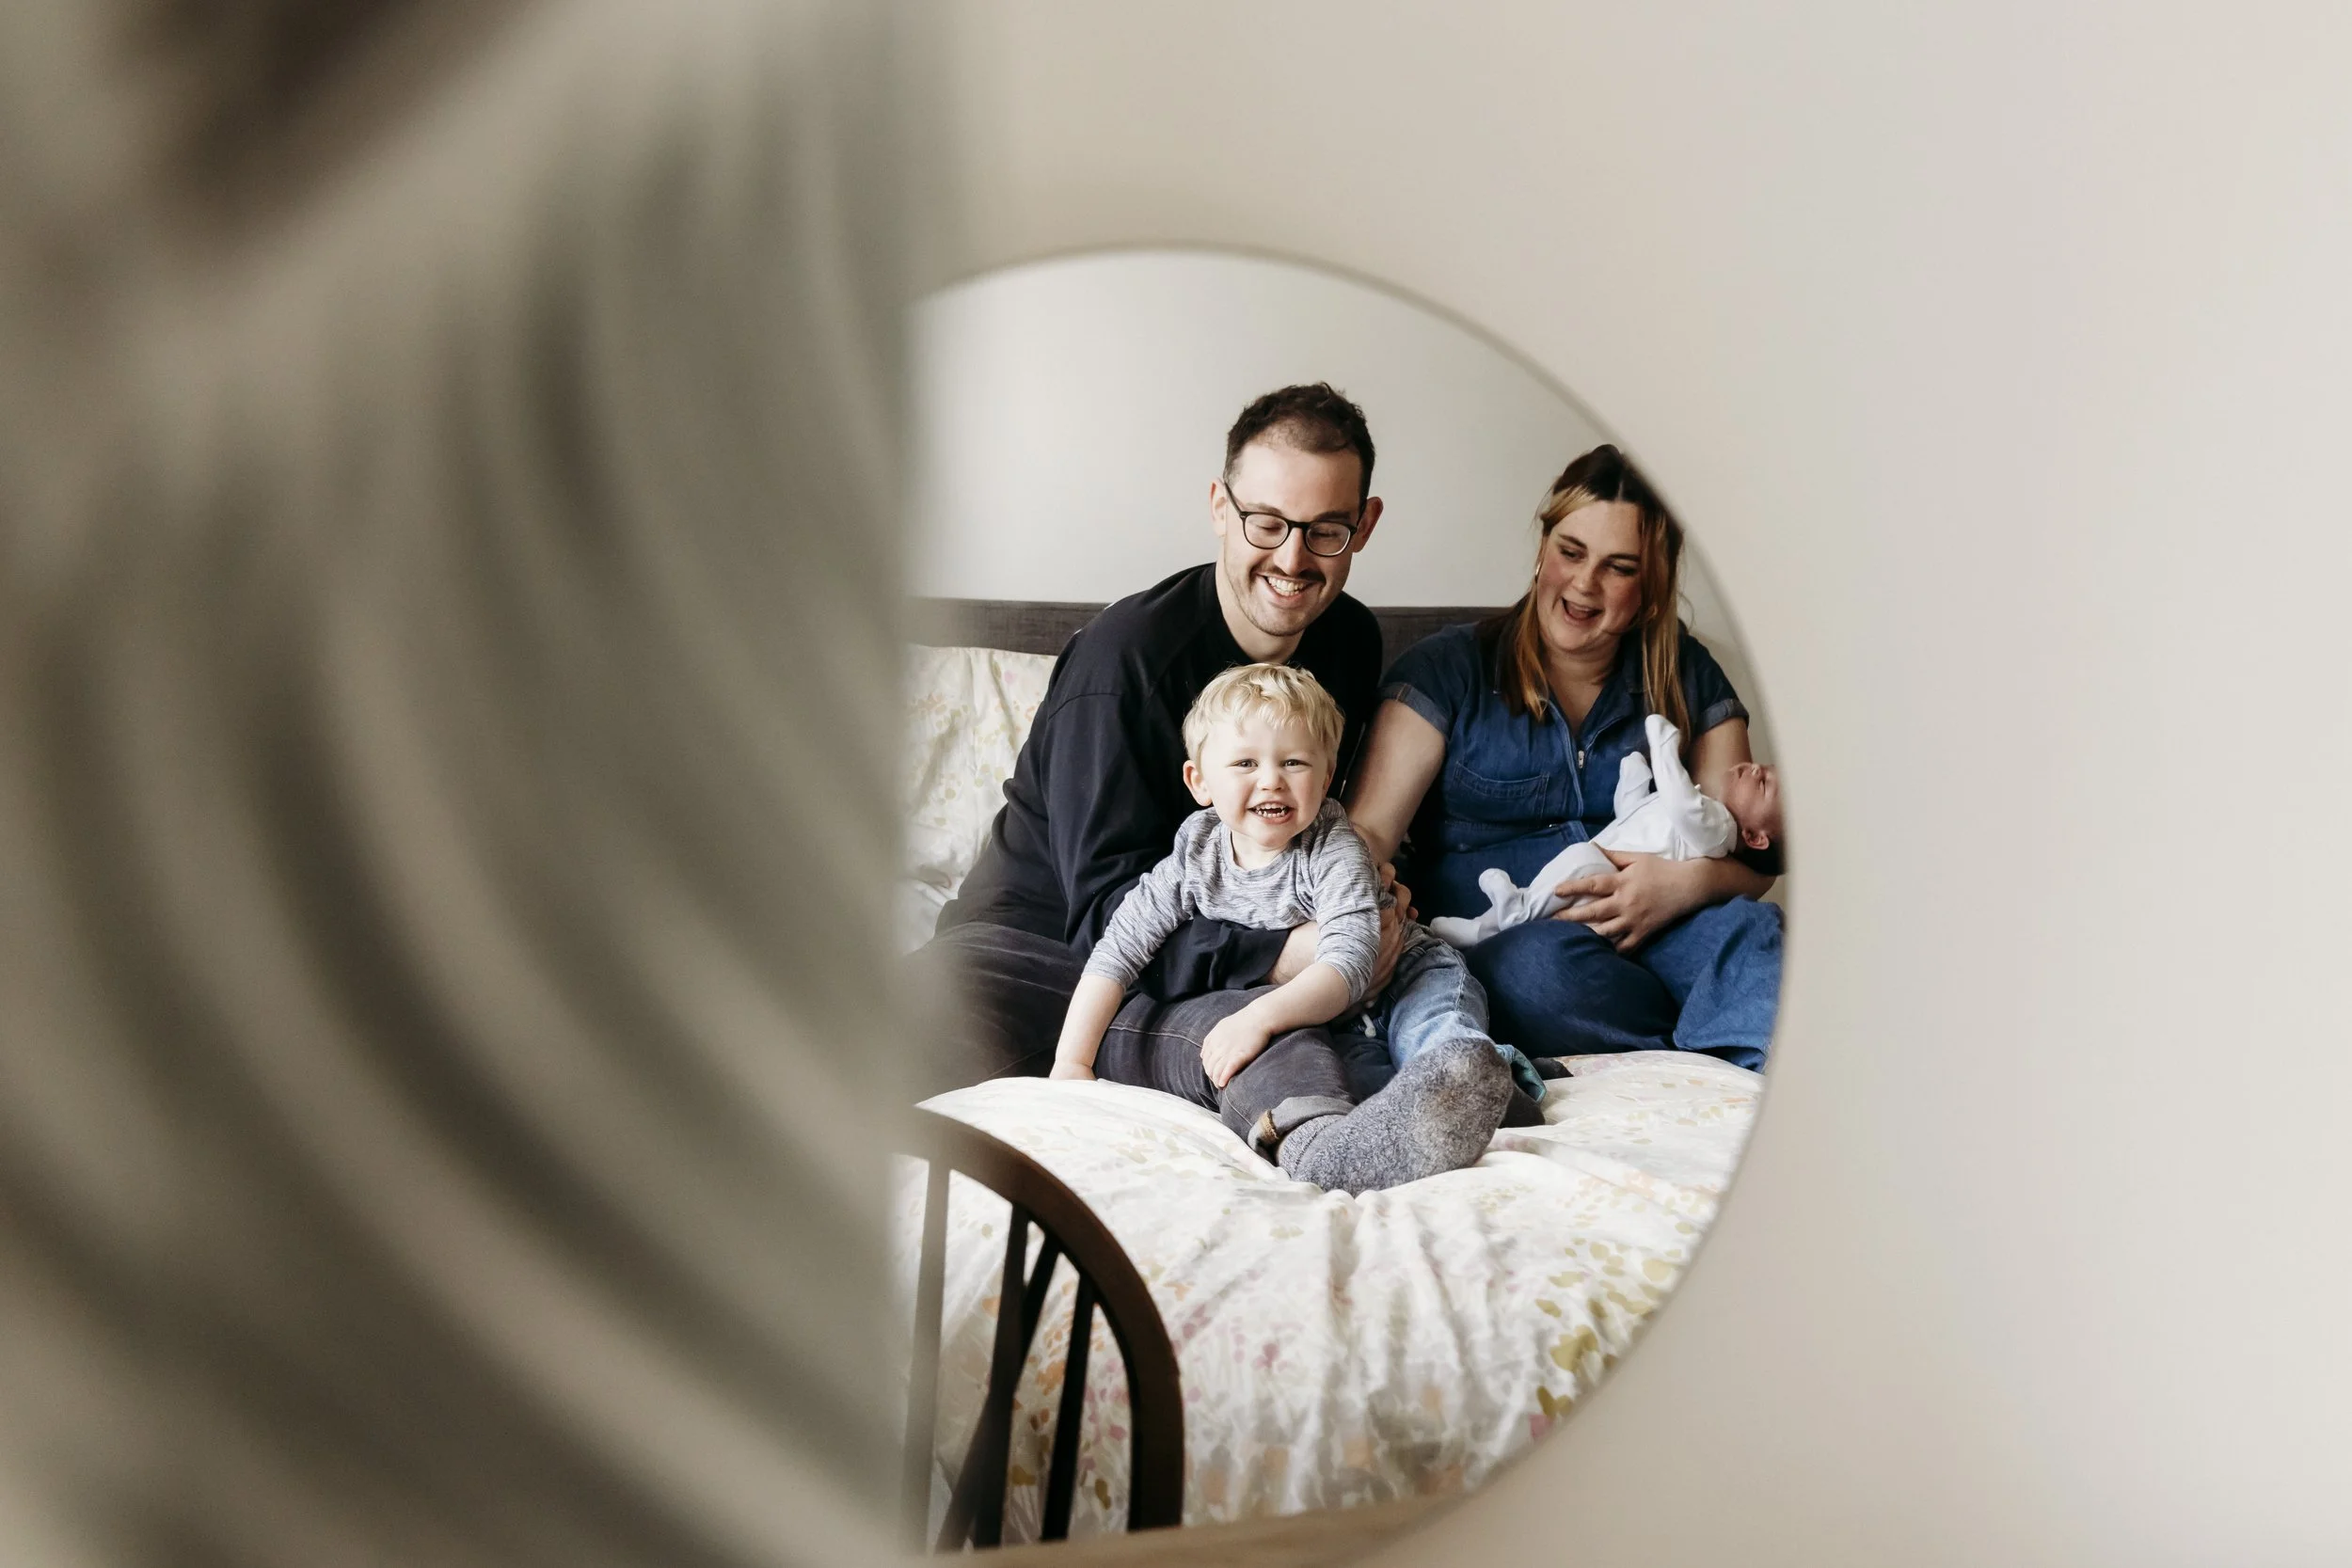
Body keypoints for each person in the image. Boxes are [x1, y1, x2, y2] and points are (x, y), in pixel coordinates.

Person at [920, 383, 1403, 1097]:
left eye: (1325, 529)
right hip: (1040, 950)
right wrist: (1283, 956)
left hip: (1216, 945)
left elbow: (1311, 831)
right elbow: (1101, 918)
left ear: (1363, 525)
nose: (1294, 559)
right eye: (1266, 522)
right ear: (1220, 507)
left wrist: (1364, 906)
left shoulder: (1352, 642)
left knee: (1288, 1028)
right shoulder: (1124, 666)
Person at [1345, 444, 1785, 1072]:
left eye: (1619, 567)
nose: (1584, 584)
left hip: (1668, 929)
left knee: (1754, 933)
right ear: (1543, 547)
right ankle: (1702, 1041)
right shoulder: (1448, 670)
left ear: (1653, 588)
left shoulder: (1687, 672)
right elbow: (1369, 835)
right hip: (1517, 937)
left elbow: (1752, 849)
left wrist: (1682, 884)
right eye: (1571, 552)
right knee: (1537, 972)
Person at [1048, 665, 1528, 1194]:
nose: (1272, 779)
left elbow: (1348, 965)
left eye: (1294, 762)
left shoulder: (1332, 847)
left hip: (1403, 974)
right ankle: (1430, 1125)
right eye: (1246, 762)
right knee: (1354, 1082)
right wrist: (1072, 1061)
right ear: (1200, 782)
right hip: (1330, 1015)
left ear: (1325, 779)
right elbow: (1118, 950)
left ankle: (1484, 1085)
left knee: (1430, 1032)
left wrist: (1258, 1015)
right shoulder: (1195, 854)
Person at [1429, 712, 1782, 947]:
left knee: (1578, 861)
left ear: (1754, 837)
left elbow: (1679, 801)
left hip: (1611, 886)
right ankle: (1481, 929)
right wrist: (1634, 780)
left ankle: (1513, 912)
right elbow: (1630, 815)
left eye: (1763, 784)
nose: (1753, 769)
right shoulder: (1706, 813)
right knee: (1558, 880)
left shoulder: (1719, 829)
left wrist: (1663, 747)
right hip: (1607, 867)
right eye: (1762, 766)